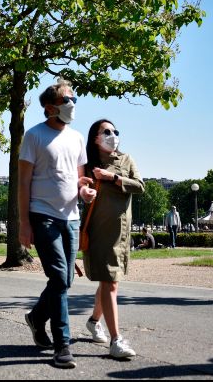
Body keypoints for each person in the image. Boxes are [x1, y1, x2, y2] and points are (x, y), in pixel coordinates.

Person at [19, 79, 96, 369]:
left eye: (74, 99)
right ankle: (62, 345)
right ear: (50, 107)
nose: (72, 104)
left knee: (65, 280)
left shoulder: (77, 138)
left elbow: (79, 179)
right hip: (43, 215)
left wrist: (84, 191)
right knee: (60, 278)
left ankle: (36, 317)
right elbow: (23, 182)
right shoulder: (34, 136)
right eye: (67, 100)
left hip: (71, 217)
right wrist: (24, 223)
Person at [81, 119, 145, 360]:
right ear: (95, 138)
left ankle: (93, 321)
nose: (113, 135)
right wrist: (83, 191)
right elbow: (76, 188)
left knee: (110, 281)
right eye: (106, 131)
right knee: (109, 282)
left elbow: (140, 186)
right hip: (99, 230)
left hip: (122, 231)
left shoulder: (126, 159)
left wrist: (114, 178)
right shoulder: (86, 164)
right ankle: (116, 340)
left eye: (115, 131)